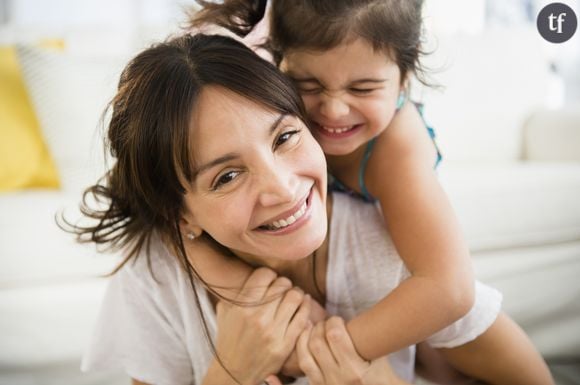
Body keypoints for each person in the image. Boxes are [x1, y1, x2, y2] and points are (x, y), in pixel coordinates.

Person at [65, 33, 553, 385]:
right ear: (182, 215)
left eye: (285, 137)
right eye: (227, 176)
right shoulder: (155, 277)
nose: (282, 188)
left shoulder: (387, 244)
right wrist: (230, 374)